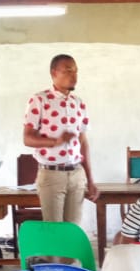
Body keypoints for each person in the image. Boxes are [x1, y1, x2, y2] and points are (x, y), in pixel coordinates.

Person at [23, 54, 98, 224]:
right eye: (68, 71)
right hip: (51, 174)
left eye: (76, 71)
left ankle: (69, 253)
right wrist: (55, 142)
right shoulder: (39, 100)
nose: (74, 76)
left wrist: (90, 180)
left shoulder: (78, 103)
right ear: (54, 73)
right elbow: (27, 139)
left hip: (76, 173)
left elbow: (83, 142)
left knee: (73, 231)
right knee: (55, 233)